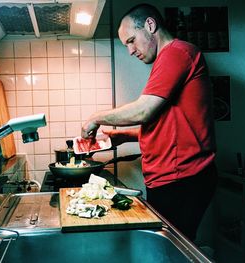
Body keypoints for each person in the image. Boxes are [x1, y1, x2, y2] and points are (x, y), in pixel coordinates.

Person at [81, 3, 217, 241]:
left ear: (150, 25)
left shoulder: (177, 52)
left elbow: (144, 110)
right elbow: (169, 125)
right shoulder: (169, 59)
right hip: (173, 179)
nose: (130, 51)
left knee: (171, 251)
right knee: (170, 247)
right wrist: (124, 136)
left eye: (131, 40)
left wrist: (95, 118)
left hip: (182, 179)